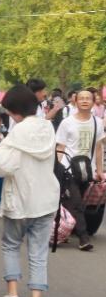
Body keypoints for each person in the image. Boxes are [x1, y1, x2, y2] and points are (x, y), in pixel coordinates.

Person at [0, 85, 60, 297]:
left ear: (15, 111)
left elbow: (3, 166)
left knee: (11, 245)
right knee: (38, 252)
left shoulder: (18, 133)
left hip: (20, 200)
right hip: (46, 199)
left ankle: (13, 295)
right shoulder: (48, 127)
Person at [56, 87, 105, 239]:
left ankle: (65, 228)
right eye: (81, 98)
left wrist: (99, 170)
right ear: (75, 101)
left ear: (93, 102)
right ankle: (83, 237)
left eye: (88, 98)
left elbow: (98, 148)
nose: (84, 101)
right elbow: (60, 147)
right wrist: (57, 169)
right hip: (68, 169)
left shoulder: (98, 122)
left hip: (87, 170)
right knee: (76, 202)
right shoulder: (67, 123)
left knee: (75, 202)